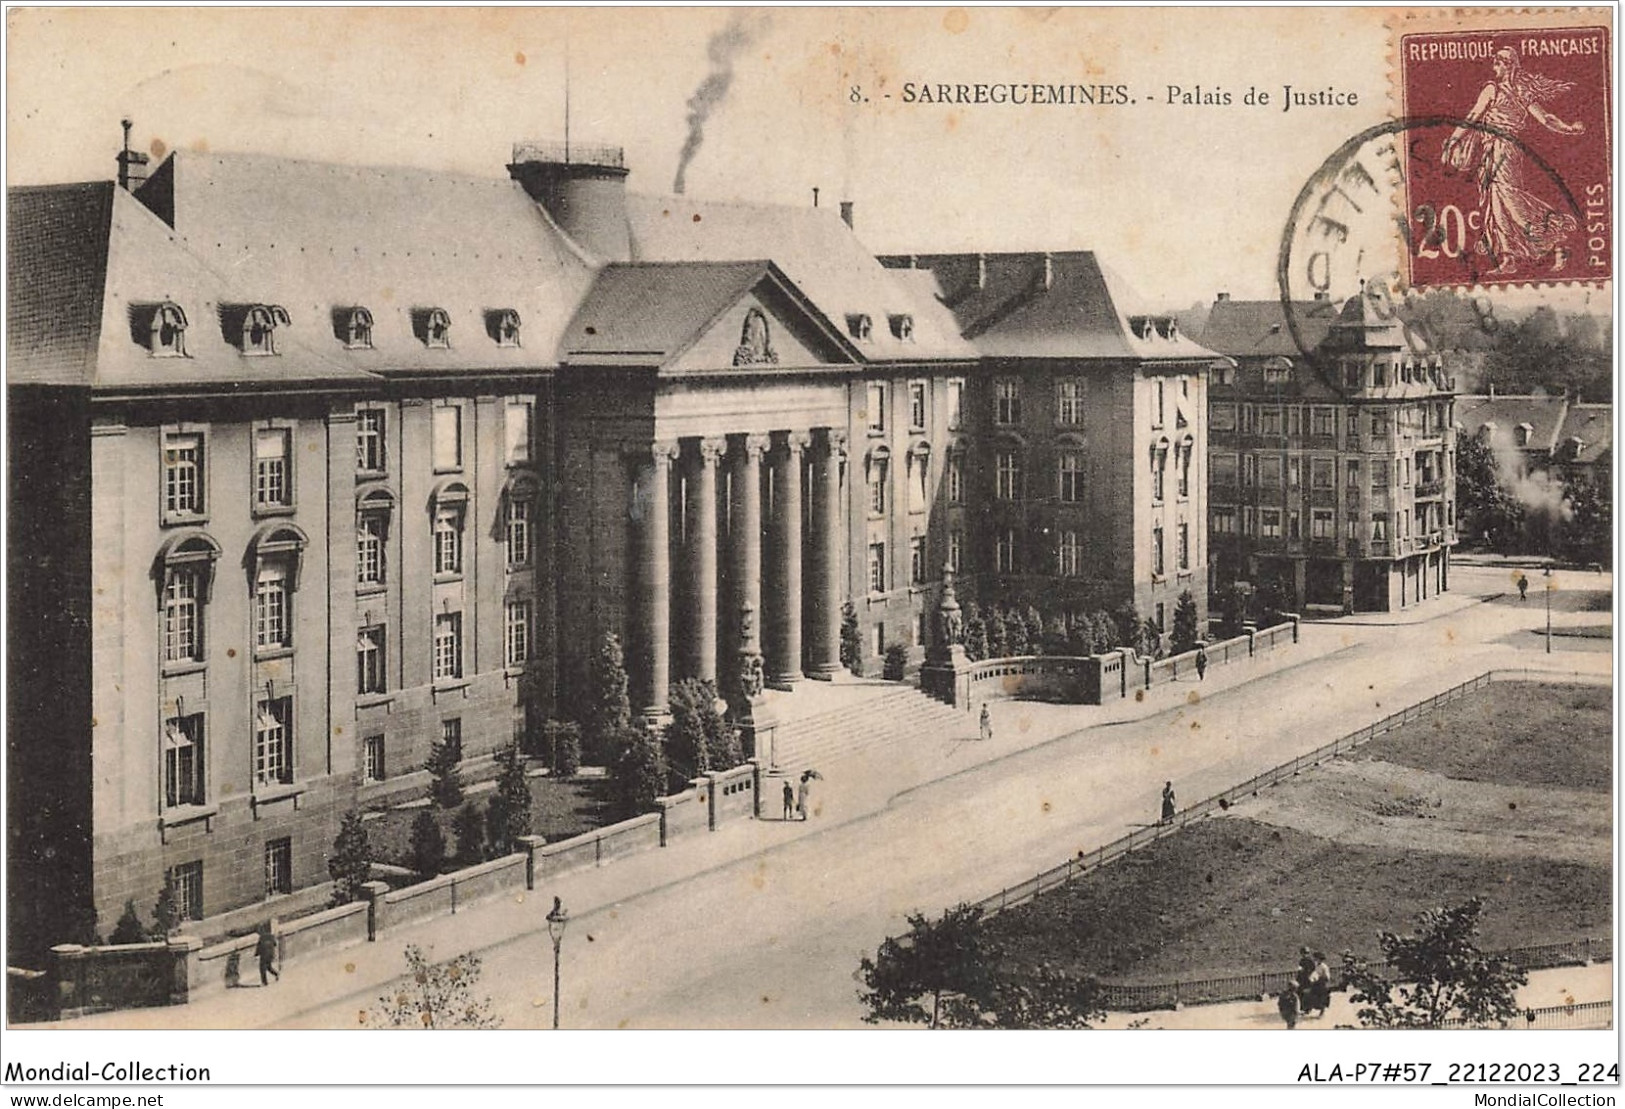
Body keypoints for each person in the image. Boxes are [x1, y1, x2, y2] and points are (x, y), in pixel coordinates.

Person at [1441, 46, 1585, 275]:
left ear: (1508, 65)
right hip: (1496, 150)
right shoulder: (1518, 91)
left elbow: (1472, 117)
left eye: (1498, 64)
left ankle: (1556, 239)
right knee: (1497, 202)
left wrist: (1453, 140)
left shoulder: (1496, 89)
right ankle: (1509, 258)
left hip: (1504, 150)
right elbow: (1546, 119)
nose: (1494, 68)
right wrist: (1568, 128)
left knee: (1509, 199)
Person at [255, 922, 280, 987]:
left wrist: (256, 955)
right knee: (269, 967)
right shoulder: (271, 936)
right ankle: (276, 974)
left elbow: (259, 947)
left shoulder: (261, 938)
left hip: (264, 955)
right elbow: (275, 944)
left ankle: (264, 982)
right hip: (271, 954)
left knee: (262, 968)